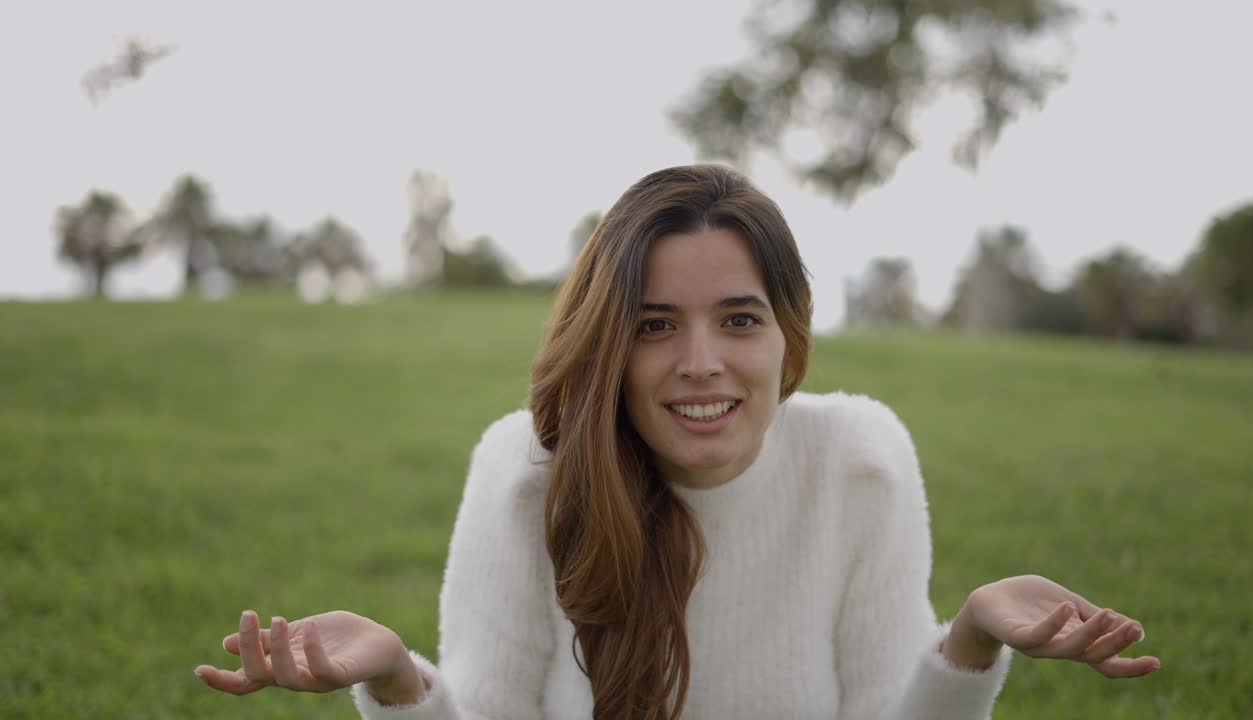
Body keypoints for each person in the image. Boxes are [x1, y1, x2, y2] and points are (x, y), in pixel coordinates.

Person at [195, 164, 1160, 719]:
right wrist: (399, 680)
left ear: (788, 338)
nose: (702, 362)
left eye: (739, 320)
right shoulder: (525, 476)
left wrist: (969, 638)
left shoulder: (858, 460)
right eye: (655, 326)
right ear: (606, 343)